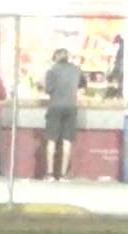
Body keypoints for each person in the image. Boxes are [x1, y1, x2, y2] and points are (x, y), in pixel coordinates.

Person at [43, 49, 84, 181]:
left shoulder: (52, 70)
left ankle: (49, 174)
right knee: (67, 140)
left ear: (55, 57)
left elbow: (48, 89)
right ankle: (63, 174)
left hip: (55, 106)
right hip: (71, 107)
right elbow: (83, 84)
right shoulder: (76, 69)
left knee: (51, 139)